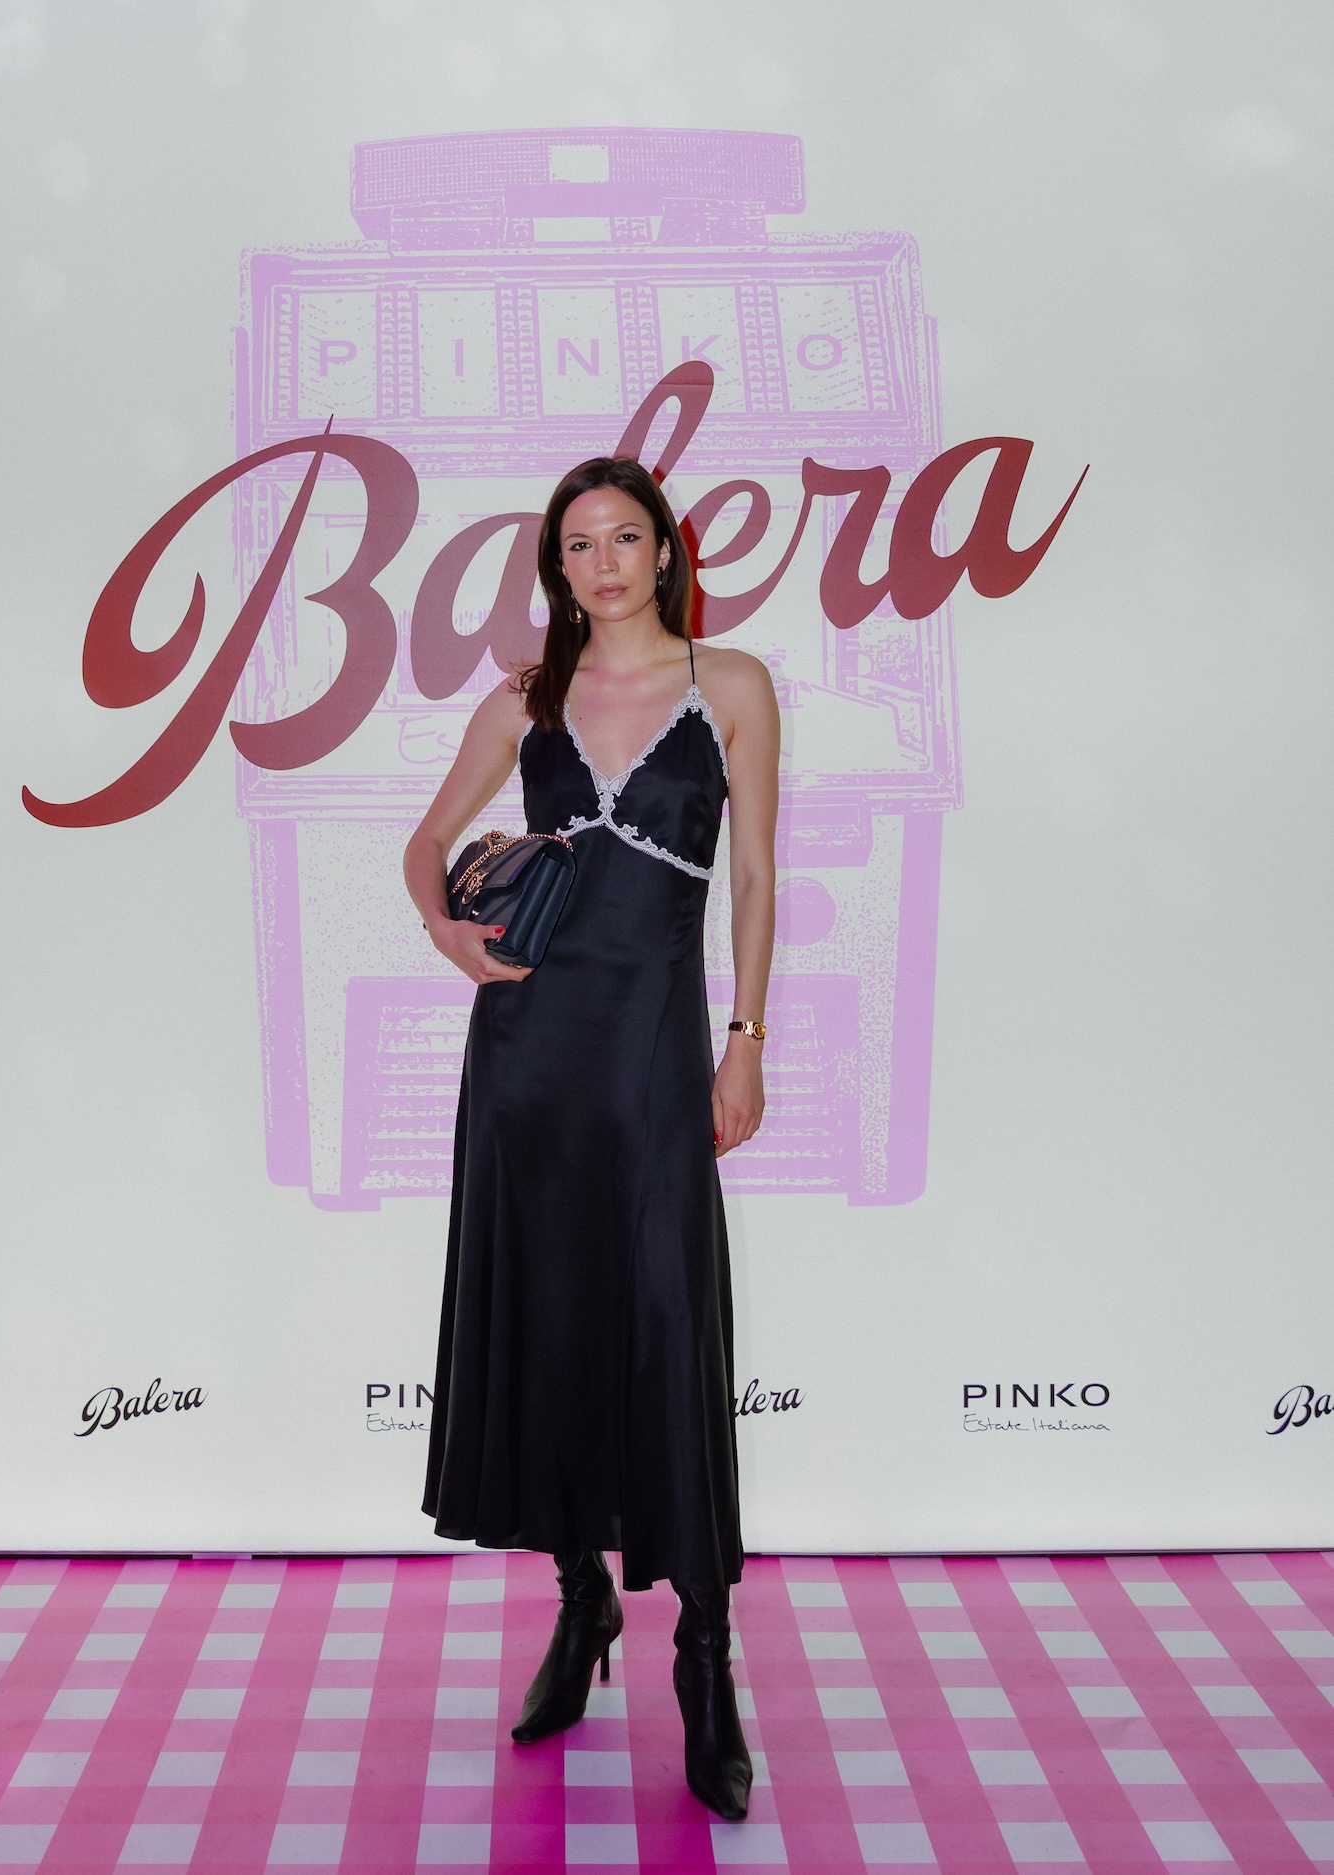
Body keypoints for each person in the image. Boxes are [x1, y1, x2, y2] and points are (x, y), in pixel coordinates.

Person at [403, 454, 779, 1821]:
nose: (603, 561)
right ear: (556, 568)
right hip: (530, 1058)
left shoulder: (730, 685)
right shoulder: (527, 700)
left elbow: (754, 874)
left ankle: (703, 1655)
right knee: (553, 1322)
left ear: (665, 550)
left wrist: (745, 1041)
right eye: (578, 544)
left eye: (625, 537)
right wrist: (446, 931)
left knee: (669, 1326)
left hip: (655, 1058)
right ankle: (581, 1605)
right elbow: (427, 844)